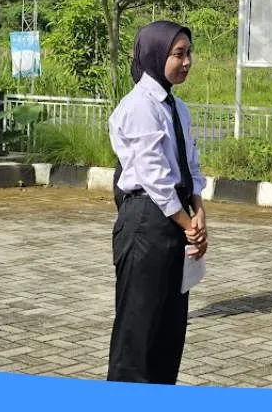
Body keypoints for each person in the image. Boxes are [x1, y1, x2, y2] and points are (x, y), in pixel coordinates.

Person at [106, 20, 208, 385]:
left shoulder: (176, 108)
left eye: (188, 53)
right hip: (146, 223)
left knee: (169, 334)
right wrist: (188, 224)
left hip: (176, 219)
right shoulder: (139, 106)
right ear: (154, 54)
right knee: (138, 333)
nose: (187, 62)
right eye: (178, 54)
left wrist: (199, 213)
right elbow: (154, 175)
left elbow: (190, 165)